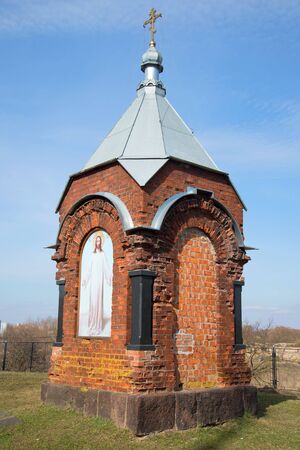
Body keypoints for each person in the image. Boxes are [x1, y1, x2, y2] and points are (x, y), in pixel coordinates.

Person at [82, 234, 112, 336]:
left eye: (99, 241)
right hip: (93, 282)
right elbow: (88, 269)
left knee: (98, 302)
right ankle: (91, 325)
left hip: (99, 282)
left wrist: (110, 277)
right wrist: (85, 279)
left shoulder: (103, 255)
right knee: (93, 302)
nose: (98, 243)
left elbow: (107, 268)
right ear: (94, 243)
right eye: (96, 241)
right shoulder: (92, 255)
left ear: (101, 243)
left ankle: (97, 326)